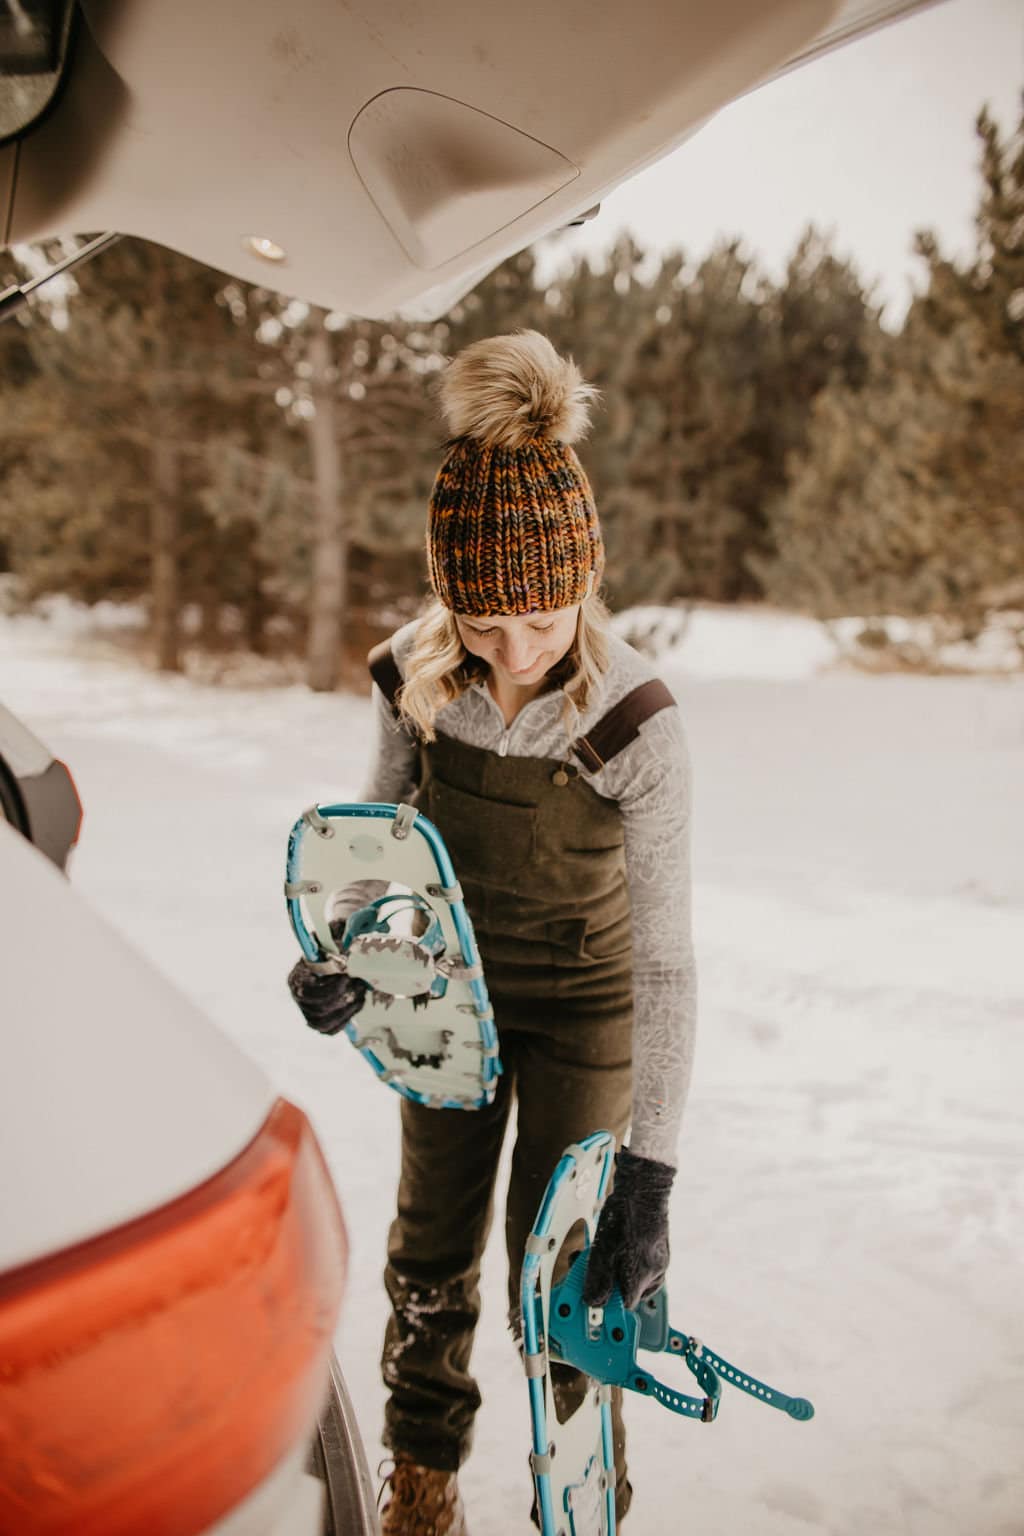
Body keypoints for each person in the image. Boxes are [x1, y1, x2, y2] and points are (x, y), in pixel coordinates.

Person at [288, 330, 697, 1536]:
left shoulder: (636, 724)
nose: (513, 654)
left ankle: (580, 1478)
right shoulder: (414, 677)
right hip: (446, 998)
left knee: (558, 1266)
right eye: (481, 621)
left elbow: (668, 961)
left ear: (585, 577)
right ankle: (422, 1474)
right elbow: (381, 847)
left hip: (588, 1005)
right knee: (430, 1245)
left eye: (541, 617)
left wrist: (652, 1176)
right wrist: (346, 959)